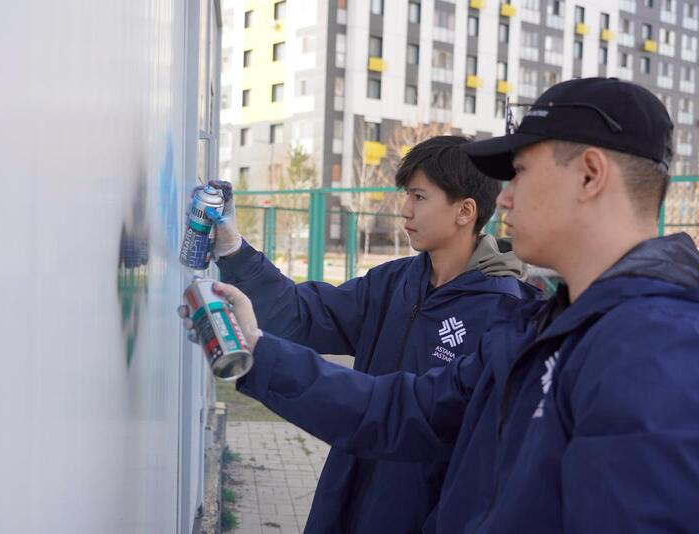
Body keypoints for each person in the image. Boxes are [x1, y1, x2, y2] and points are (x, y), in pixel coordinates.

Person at [183, 78, 699, 532]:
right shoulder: (541, 327)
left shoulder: (656, 351)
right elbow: (402, 411)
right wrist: (254, 351)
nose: (506, 198)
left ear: (590, 175)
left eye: (520, 172)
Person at [194, 136, 538, 533]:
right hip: (346, 498)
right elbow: (303, 315)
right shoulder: (395, 282)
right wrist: (234, 250)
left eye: (420, 197)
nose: (405, 209)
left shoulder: (503, 314)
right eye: (407, 195)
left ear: (465, 211)